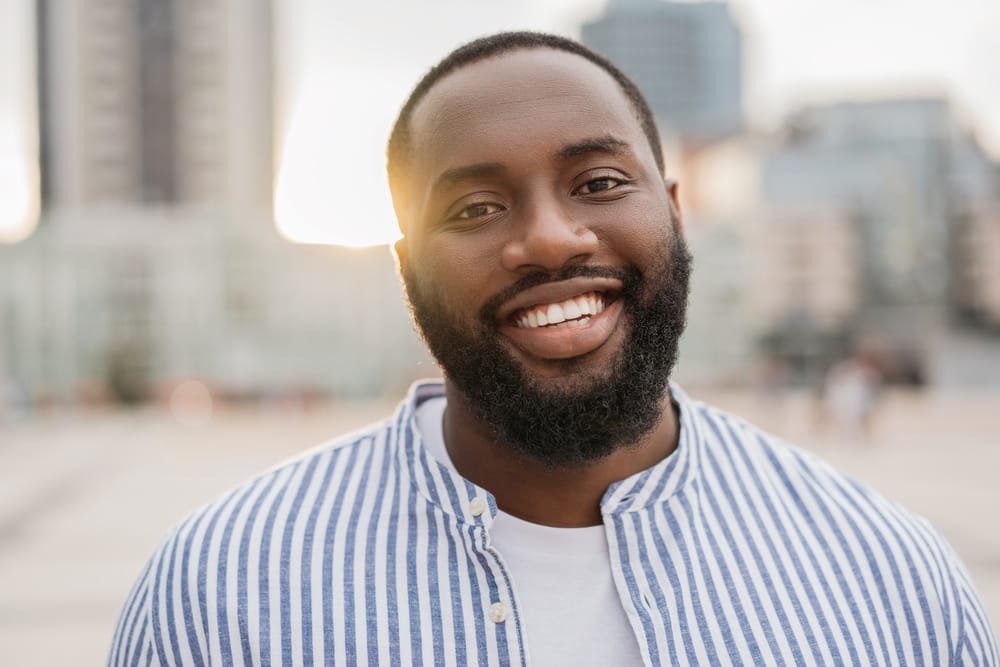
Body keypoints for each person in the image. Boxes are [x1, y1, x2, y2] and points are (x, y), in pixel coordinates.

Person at [109, 32, 998, 666]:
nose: (549, 238)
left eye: (601, 182)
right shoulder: (222, 593)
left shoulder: (890, 576)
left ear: (677, 213)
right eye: (475, 207)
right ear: (407, 268)